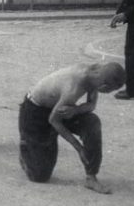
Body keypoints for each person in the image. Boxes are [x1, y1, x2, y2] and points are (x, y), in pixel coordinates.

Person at [19, 62, 126, 195]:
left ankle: (91, 178)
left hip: (61, 109)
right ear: (104, 86)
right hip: (36, 111)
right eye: (110, 90)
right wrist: (79, 148)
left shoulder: (94, 75)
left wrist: (75, 110)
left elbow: (91, 106)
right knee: (39, 176)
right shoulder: (73, 86)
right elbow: (54, 120)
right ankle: (26, 144)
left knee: (92, 123)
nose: (107, 93)